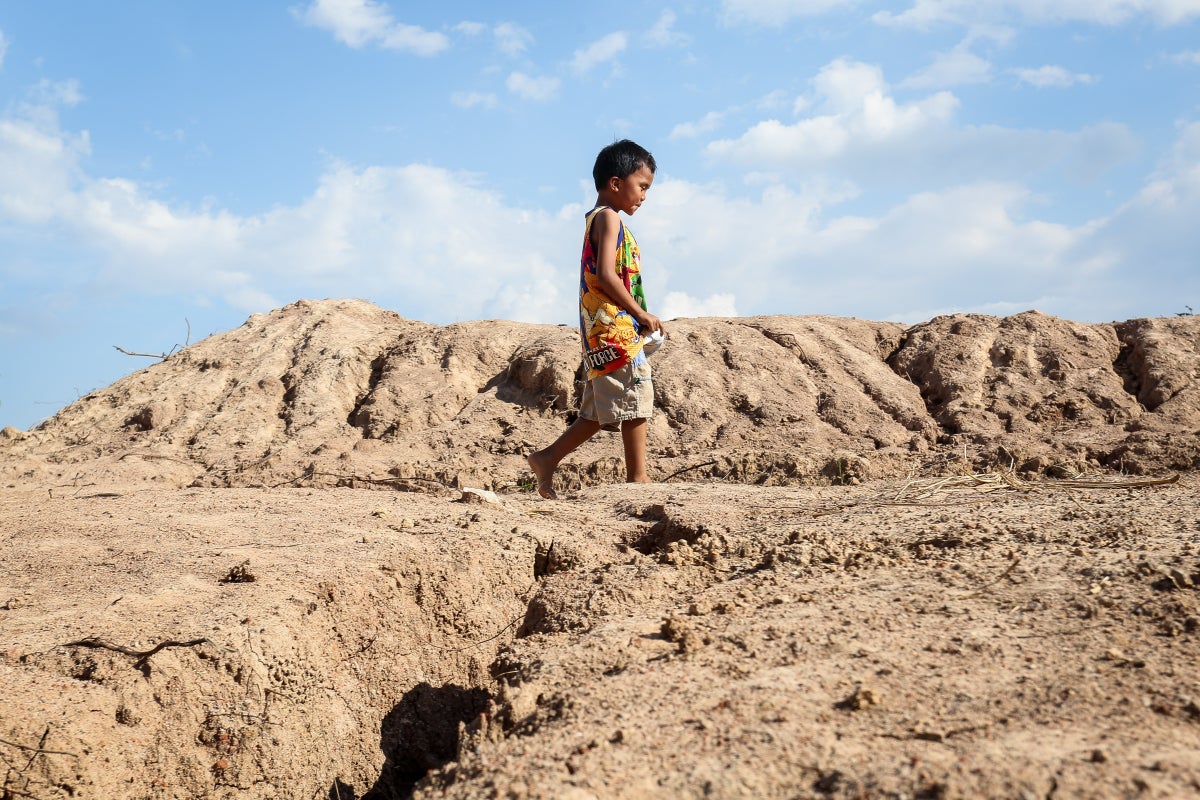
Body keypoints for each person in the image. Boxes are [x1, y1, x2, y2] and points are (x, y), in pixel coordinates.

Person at [527, 139, 665, 499]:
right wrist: (640, 313)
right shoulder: (608, 218)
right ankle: (639, 478)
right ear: (616, 183)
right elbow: (605, 274)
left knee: (595, 411)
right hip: (615, 330)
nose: (644, 196)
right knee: (635, 393)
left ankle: (547, 458)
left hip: (601, 330)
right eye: (642, 186)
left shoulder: (599, 219)